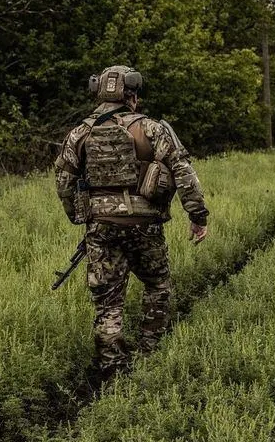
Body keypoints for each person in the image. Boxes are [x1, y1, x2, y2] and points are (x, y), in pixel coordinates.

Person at [54, 65, 209, 382]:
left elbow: (63, 181)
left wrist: (79, 216)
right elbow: (183, 172)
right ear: (133, 96)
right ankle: (150, 352)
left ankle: (113, 371)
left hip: (101, 227)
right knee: (157, 285)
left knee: (108, 301)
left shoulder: (80, 133)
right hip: (145, 226)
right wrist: (197, 216)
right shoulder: (152, 130)